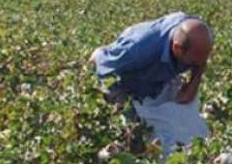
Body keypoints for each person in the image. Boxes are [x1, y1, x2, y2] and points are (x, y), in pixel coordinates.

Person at [90, 12, 213, 156]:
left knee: (178, 121)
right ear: (177, 48)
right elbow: (100, 62)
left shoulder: (199, 37)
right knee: (133, 134)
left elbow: (199, 65)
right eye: (194, 61)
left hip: (156, 78)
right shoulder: (137, 50)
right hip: (123, 79)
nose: (199, 63)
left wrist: (192, 86)